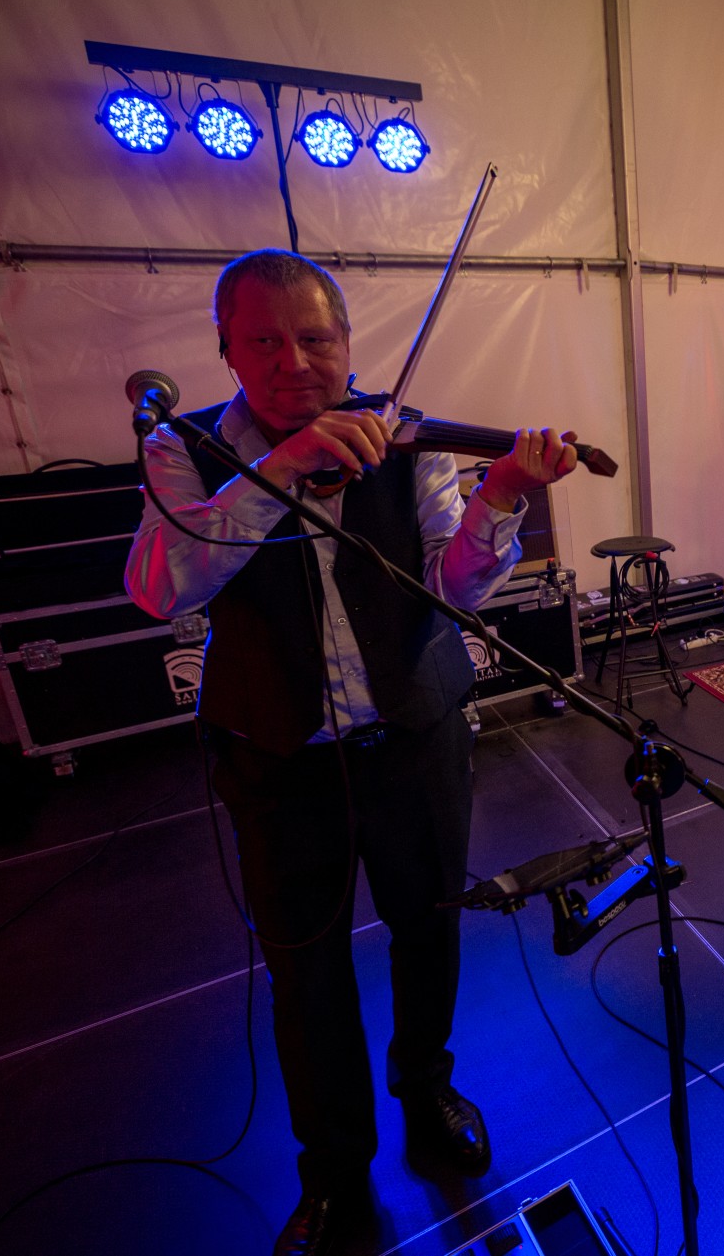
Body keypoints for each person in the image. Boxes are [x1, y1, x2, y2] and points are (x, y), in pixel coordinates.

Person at [125, 249, 578, 1256]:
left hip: (414, 735)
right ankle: (334, 1168)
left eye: (315, 338)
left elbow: (454, 588)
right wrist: (280, 470)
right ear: (225, 349)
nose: (294, 362)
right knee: (306, 971)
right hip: (278, 756)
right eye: (264, 341)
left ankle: (427, 1089)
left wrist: (503, 493)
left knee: (429, 929)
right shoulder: (182, 450)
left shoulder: (407, 436)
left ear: (347, 341)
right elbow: (162, 585)